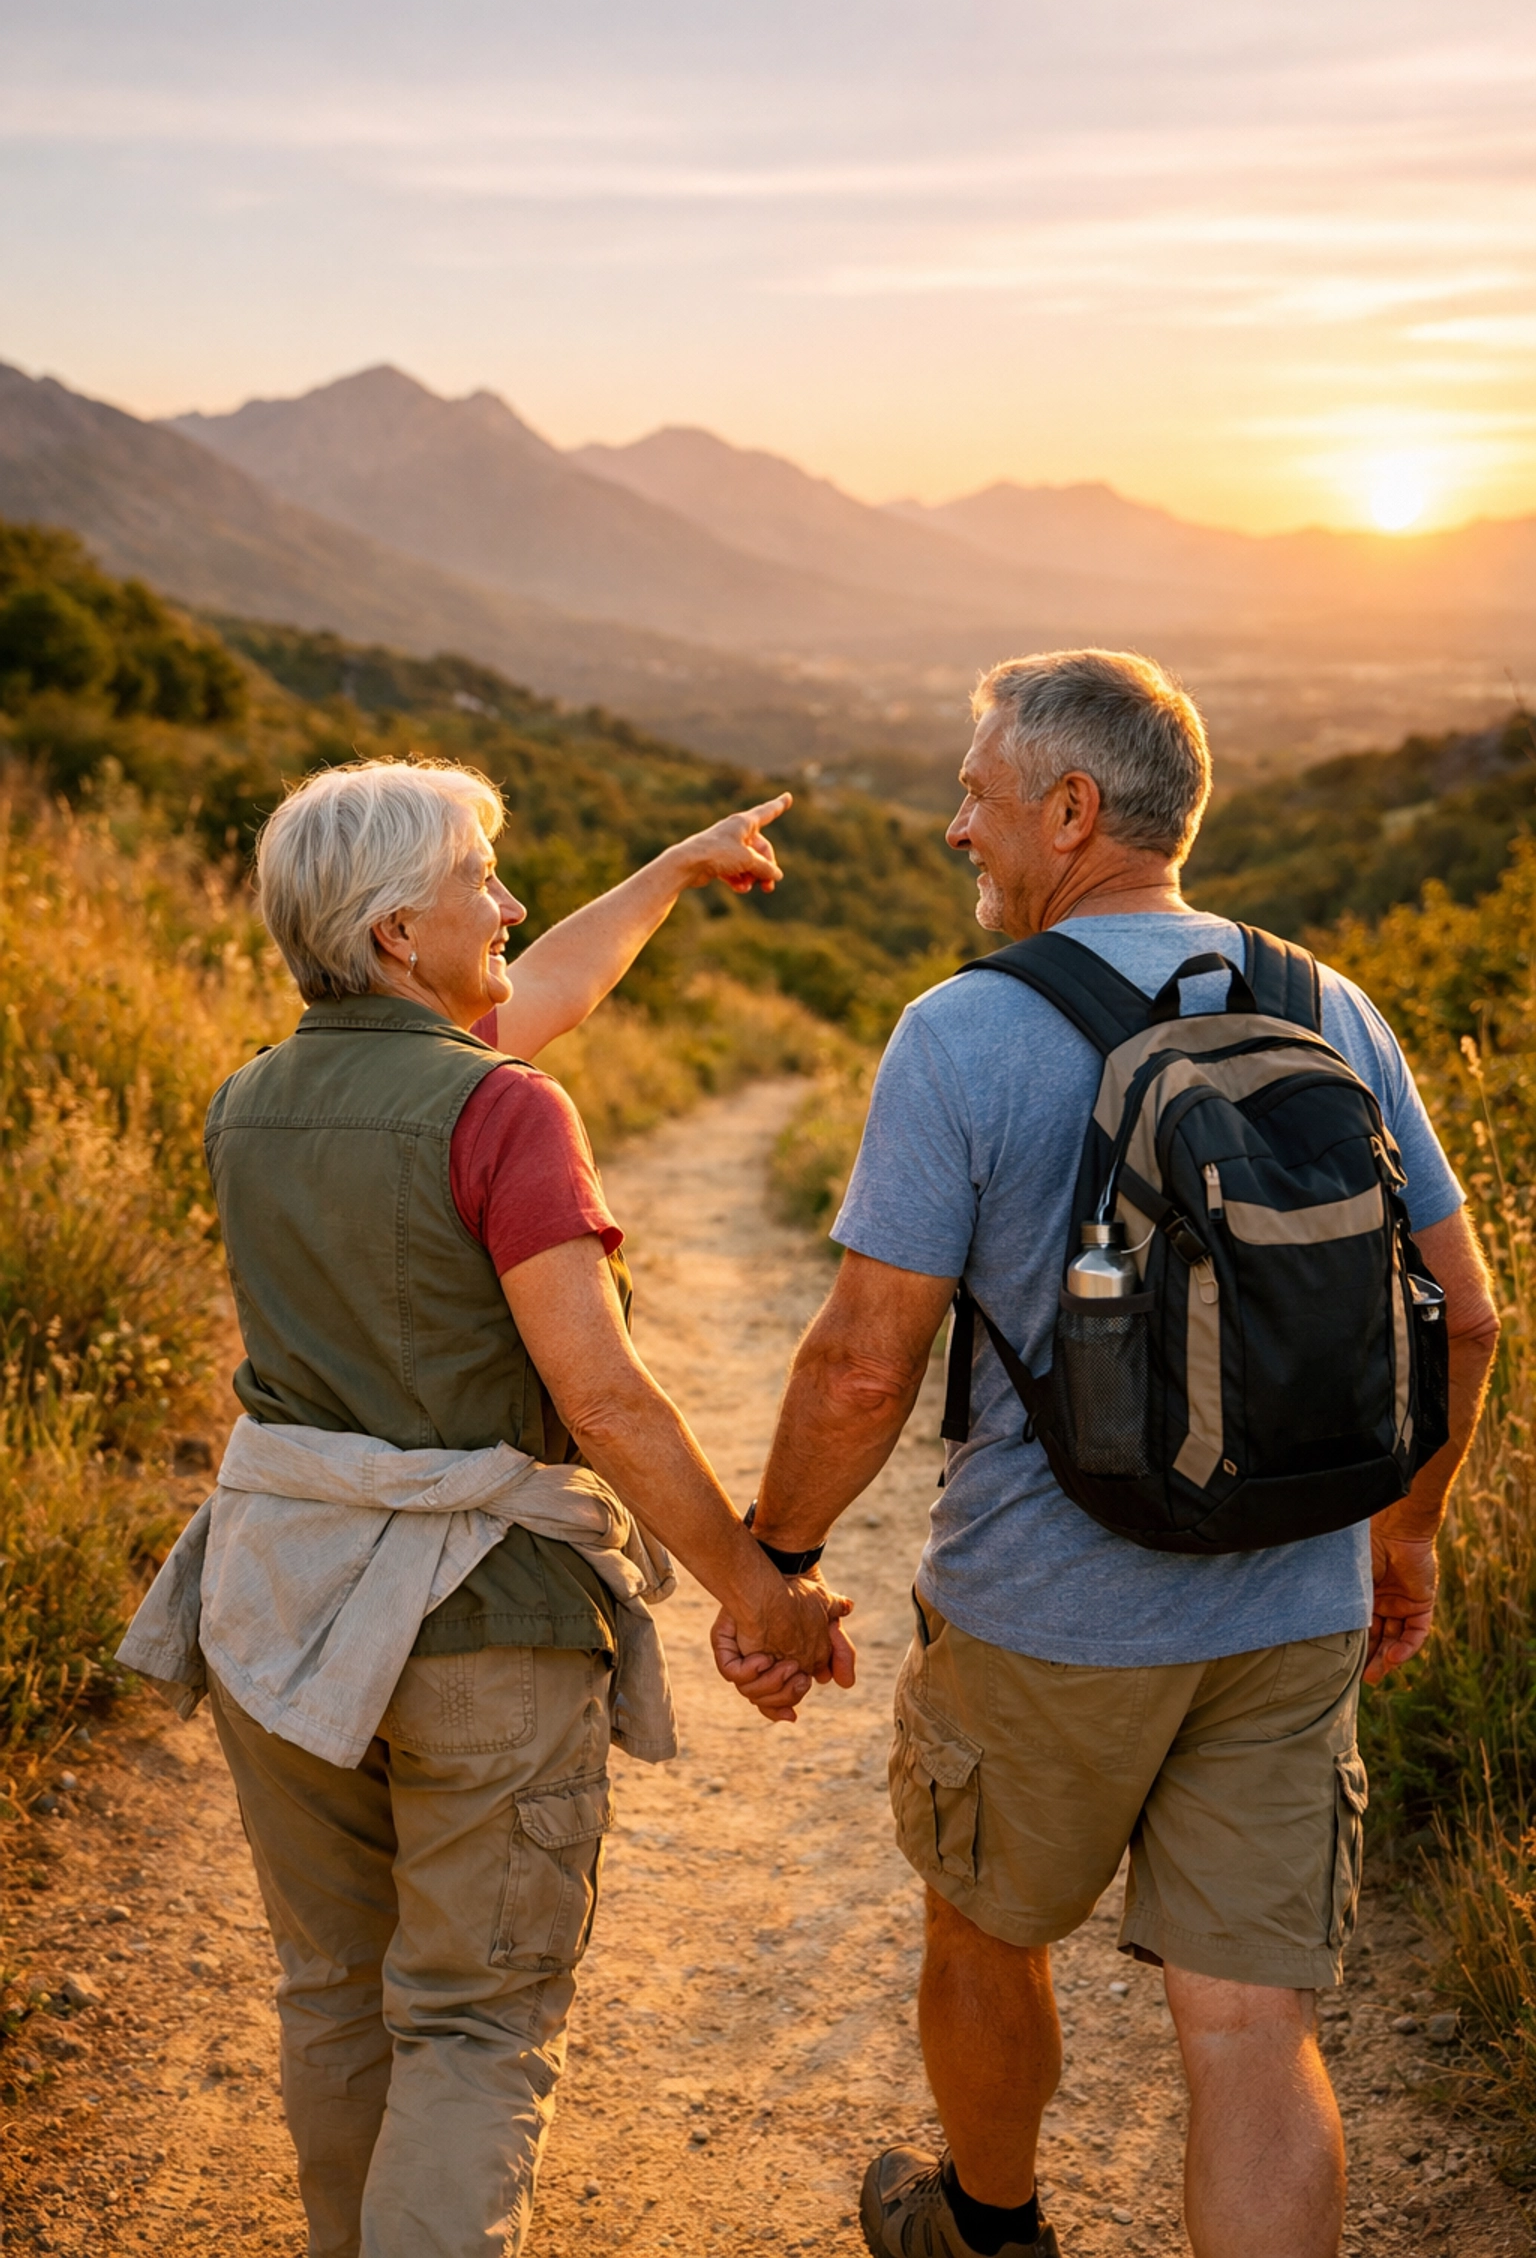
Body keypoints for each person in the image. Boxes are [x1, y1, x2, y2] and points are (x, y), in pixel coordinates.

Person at [714, 651, 1499, 2258]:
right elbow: (1467, 1317)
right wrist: (1401, 1541)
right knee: (1250, 2031)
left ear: (1071, 812)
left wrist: (774, 1563)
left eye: (976, 794)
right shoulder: (1327, 1003)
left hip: (1042, 1616)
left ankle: (988, 2234)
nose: (955, 829)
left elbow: (866, 1365)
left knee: (989, 1933)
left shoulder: (962, 1034)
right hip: (1289, 1608)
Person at [120, 756, 851, 2258]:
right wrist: (758, 1589)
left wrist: (670, 870)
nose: (508, 904)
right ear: (399, 934)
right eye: (480, 884)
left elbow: (531, 994)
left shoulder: (246, 1104)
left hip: (277, 1608)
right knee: (470, 2025)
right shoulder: (505, 1114)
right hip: (483, 1631)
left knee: (336, 1996)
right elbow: (606, 1401)